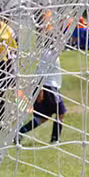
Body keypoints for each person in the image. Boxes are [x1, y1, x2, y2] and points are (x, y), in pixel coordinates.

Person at [17, 10, 66, 144]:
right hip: (48, 89)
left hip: (50, 87)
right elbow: (40, 74)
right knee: (60, 113)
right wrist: (40, 91)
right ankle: (55, 140)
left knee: (43, 118)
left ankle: (20, 132)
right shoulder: (47, 55)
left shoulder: (52, 53)